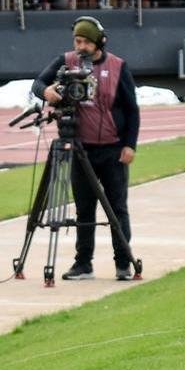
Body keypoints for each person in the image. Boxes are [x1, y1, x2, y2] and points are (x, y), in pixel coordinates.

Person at [31, 16, 140, 281]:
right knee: (84, 208)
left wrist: (129, 145)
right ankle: (83, 263)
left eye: (84, 42)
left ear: (98, 43)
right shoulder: (65, 61)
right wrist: (47, 93)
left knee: (117, 208)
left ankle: (123, 262)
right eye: (76, 41)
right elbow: (38, 84)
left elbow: (131, 110)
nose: (79, 46)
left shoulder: (117, 66)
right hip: (80, 148)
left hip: (113, 150)